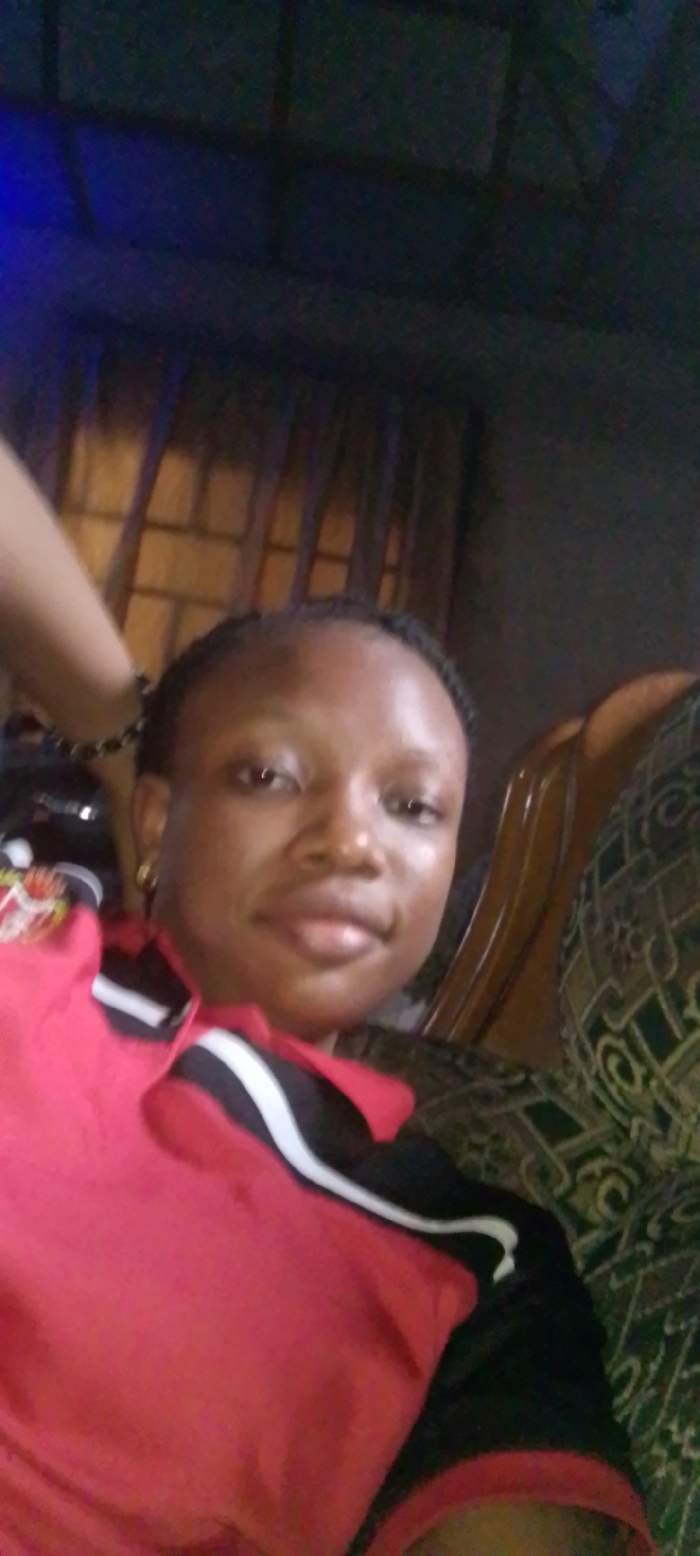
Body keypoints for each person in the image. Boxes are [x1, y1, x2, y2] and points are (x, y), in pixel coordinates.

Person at [0, 435, 652, 1556]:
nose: (352, 840)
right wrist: (118, 732)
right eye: (267, 774)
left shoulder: (476, 1249)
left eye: (414, 806)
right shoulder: (35, 923)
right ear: (156, 817)